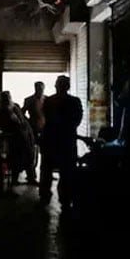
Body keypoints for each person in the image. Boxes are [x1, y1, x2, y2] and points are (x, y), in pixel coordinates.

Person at [39, 76, 82, 208]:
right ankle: (65, 198)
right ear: (68, 87)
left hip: (50, 140)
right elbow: (77, 121)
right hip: (67, 142)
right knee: (67, 171)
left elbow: (47, 119)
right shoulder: (74, 101)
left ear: (56, 86)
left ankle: (45, 195)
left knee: (46, 169)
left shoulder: (49, 101)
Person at [0, 91, 36, 186]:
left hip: (24, 135)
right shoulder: (4, 110)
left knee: (28, 157)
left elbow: (23, 119)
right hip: (16, 137)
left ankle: (30, 178)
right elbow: (4, 125)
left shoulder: (15, 106)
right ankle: (16, 180)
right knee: (17, 160)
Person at [22, 81, 47, 184]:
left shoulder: (47, 99)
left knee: (45, 153)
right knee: (31, 153)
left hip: (45, 129)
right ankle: (31, 176)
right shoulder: (29, 100)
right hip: (33, 129)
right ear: (35, 88)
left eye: (41, 88)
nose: (40, 90)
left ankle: (45, 175)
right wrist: (28, 122)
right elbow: (22, 113)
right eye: (38, 88)